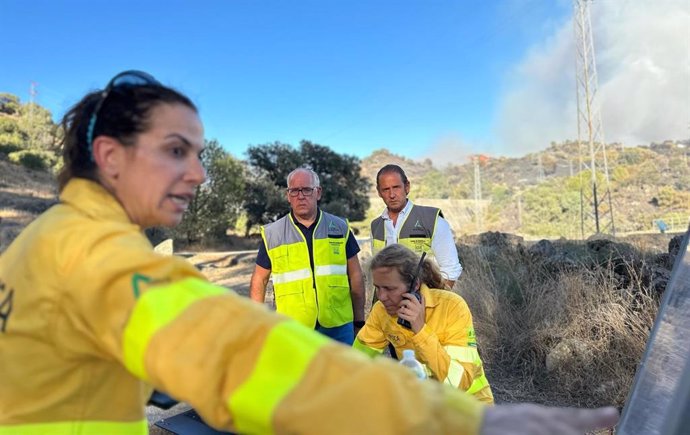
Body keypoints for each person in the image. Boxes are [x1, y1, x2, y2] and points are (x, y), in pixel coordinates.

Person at [0, 70, 619, 435]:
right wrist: (464, 421)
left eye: (198, 153)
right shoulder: (94, 255)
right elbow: (235, 354)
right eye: (174, 151)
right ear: (110, 156)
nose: (198, 175)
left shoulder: (41, 242)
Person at [354, 244, 493, 404]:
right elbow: (357, 361)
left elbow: (458, 384)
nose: (382, 297)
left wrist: (420, 331)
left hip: (469, 405)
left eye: (389, 288)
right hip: (425, 404)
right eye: (378, 288)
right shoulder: (381, 310)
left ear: (415, 285)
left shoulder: (452, 306)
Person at [249, 167, 366, 345]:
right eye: (294, 191)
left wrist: (359, 320)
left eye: (307, 189)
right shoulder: (273, 234)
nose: (300, 196)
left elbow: (356, 275)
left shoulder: (340, 227)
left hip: (339, 327)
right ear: (288, 195)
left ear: (318, 192)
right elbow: (259, 280)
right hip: (293, 329)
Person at [372, 164, 462, 289]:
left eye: (396, 187)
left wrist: (435, 303)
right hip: (388, 305)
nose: (392, 194)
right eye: (386, 189)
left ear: (407, 187)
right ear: (379, 192)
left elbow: (451, 270)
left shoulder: (432, 220)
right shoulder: (375, 227)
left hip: (425, 304)